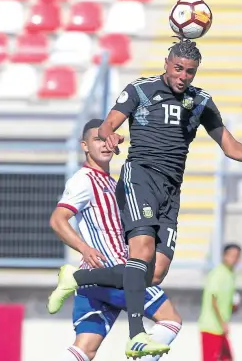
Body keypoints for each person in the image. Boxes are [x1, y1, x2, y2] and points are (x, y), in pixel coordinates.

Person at [47, 37, 242, 358]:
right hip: (139, 179)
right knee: (140, 252)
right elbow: (108, 124)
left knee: (154, 273)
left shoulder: (201, 101)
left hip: (171, 190)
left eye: (190, 71)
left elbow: (228, 144)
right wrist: (110, 134)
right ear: (167, 64)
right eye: (178, 68)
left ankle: (76, 277)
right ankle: (136, 334)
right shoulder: (140, 90)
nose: (184, 76)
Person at [49, 119, 182, 360]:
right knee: (171, 320)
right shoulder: (84, 180)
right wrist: (84, 247)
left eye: (108, 138)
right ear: (85, 145)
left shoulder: (114, 183)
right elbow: (58, 219)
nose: (104, 144)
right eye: (97, 139)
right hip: (116, 272)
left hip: (93, 280)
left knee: (84, 348)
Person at [198, 243, 242, 361]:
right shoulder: (218, 273)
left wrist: (233, 306)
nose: (234, 259)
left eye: (237, 256)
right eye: (231, 255)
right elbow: (213, 298)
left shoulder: (230, 274)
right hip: (211, 327)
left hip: (220, 328)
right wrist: (223, 322)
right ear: (224, 256)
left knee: (227, 358)